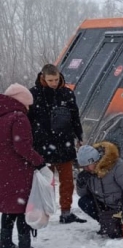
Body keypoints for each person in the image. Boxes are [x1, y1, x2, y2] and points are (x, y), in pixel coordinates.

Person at [28, 63, 85, 224]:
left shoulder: (67, 93)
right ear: (43, 78)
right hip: (42, 145)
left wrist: (79, 136)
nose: (54, 82)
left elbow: (75, 117)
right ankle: (41, 213)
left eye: (56, 79)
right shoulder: (34, 94)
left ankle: (66, 212)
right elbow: (28, 121)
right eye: (50, 80)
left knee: (67, 181)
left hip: (64, 143)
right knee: (44, 183)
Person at [0, 84, 46, 248]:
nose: (29, 108)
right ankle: (24, 247)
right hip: (18, 169)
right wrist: (39, 162)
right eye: (28, 104)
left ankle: (4, 240)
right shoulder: (18, 117)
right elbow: (22, 146)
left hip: (3, 168)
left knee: (8, 206)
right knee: (23, 207)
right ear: (20, 101)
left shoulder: (2, 115)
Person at [75, 141, 123, 239]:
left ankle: (119, 223)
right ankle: (107, 223)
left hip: (121, 205)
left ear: (95, 160)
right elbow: (83, 194)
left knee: (118, 234)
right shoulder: (89, 172)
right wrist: (81, 184)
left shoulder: (117, 166)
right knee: (84, 202)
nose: (85, 169)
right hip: (105, 205)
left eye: (87, 166)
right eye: (83, 167)